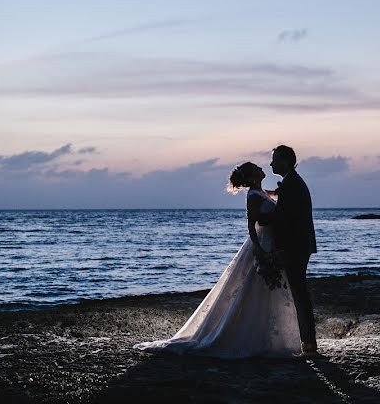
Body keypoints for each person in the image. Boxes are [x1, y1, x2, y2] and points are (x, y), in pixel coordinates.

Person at [133, 162, 301, 358]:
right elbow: (251, 225)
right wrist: (259, 249)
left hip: (271, 242)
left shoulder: (262, 191)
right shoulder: (253, 196)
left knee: (265, 290)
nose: (261, 168)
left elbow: (280, 199)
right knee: (255, 288)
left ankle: (266, 336)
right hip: (262, 243)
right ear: (252, 176)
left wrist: (283, 192)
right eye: (256, 168)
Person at [269, 144, 318, 354]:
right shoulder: (291, 182)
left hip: (295, 247)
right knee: (298, 291)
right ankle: (305, 339)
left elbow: (284, 219)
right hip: (299, 245)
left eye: (275, 159)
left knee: (299, 292)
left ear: (286, 161)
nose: (271, 163)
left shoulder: (292, 184)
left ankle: (308, 341)